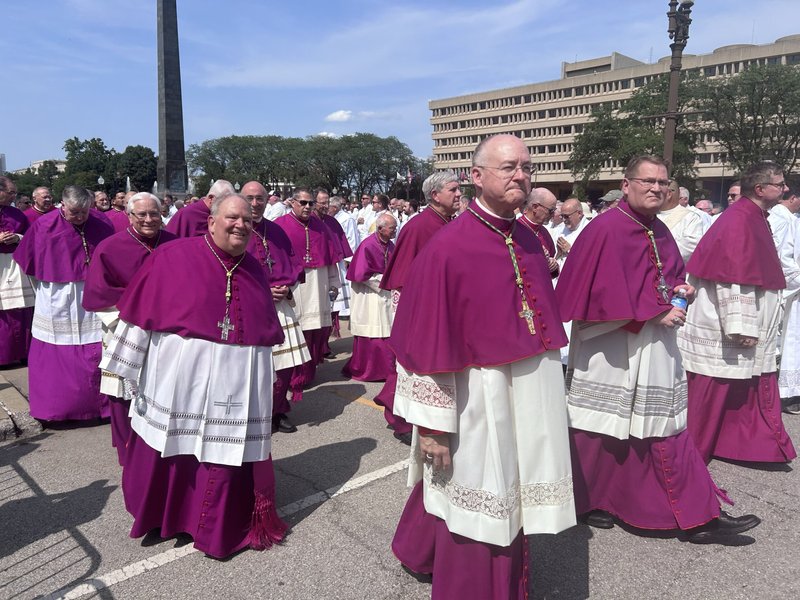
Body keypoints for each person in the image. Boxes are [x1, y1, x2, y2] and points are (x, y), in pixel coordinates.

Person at [391, 135, 574, 599]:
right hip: (478, 396)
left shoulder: (528, 239)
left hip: (528, 393)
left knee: (514, 496)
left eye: (526, 167)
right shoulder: (449, 247)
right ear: (476, 177)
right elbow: (422, 342)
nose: (520, 176)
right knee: (480, 504)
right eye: (508, 167)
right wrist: (431, 427)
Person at [556, 155, 760, 544]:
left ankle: (698, 515)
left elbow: (662, 276)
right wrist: (650, 313)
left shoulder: (658, 229)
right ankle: (590, 502)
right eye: (648, 181)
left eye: (662, 182)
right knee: (597, 431)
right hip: (611, 347)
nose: (656, 188)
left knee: (662, 429)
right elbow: (587, 298)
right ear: (627, 183)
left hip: (653, 345)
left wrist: (682, 289)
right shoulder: (605, 229)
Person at [99, 193, 287, 558]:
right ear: (212, 220)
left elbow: (264, 330)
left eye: (248, 221)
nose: (241, 226)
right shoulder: (173, 256)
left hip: (233, 384)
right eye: (233, 218)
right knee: (173, 447)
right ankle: (165, 516)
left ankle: (209, 525)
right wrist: (124, 369)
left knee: (220, 454)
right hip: (178, 379)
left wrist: (266, 381)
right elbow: (140, 312)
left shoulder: (253, 268)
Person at [679, 162, 797, 464]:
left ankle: (740, 446)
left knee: (741, 391)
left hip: (740, 325)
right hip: (724, 327)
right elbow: (733, 276)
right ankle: (693, 456)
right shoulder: (739, 220)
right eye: (779, 184)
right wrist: (742, 326)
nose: (784, 189)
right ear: (760, 189)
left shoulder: (753, 216)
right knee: (714, 392)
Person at [82, 192, 176, 466]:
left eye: (154, 214)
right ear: (129, 216)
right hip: (124, 329)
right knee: (123, 394)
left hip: (166, 330)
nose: (149, 219)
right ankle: (129, 452)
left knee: (163, 388)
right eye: (142, 214)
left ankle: (161, 447)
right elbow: (99, 294)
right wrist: (136, 315)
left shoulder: (175, 243)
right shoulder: (110, 248)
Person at [13, 185, 114, 421]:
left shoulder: (101, 222)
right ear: (62, 204)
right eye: (74, 212)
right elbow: (27, 260)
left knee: (97, 342)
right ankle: (62, 407)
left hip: (93, 293)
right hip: (57, 295)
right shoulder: (44, 225)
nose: (80, 217)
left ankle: (102, 405)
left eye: (84, 212)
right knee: (59, 344)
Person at [376, 171, 461, 444]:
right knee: (410, 363)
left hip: (439, 305)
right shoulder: (418, 226)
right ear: (435, 195)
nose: (459, 194)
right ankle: (399, 419)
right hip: (416, 307)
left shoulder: (447, 221)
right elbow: (402, 275)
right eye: (453, 190)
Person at [241, 181, 310, 434]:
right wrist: (263, 291)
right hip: (249, 308)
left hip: (281, 306)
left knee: (284, 366)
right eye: (250, 198)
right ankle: (254, 415)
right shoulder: (235, 230)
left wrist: (287, 286)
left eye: (260, 198)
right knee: (255, 366)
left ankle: (278, 410)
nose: (255, 203)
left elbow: (293, 264)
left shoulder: (276, 231)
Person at [275, 188, 340, 388]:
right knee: (296, 330)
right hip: (294, 287)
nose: (307, 207)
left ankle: (308, 373)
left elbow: (330, 258)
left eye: (310, 203)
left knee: (314, 331)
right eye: (303, 203)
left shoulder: (320, 226)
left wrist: (334, 282)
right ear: (293, 202)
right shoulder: (280, 226)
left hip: (318, 285)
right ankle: (292, 375)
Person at [342, 213, 396, 382]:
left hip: (385, 294)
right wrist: (384, 281)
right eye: (392, 228)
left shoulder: (391, 245)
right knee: (373, 331)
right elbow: (360, 274)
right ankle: (371, 370)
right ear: (380, 229)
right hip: (369, 295)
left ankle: (387, 368)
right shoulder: (367, 245)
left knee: (386, 330)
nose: (395, 231)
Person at [769, 190, 800, 413]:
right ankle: (791, 394)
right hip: (796, 293)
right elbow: (783, 257)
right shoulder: (787, 221)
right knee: (793, 341)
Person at [0, 176, 34, 366]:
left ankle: (22, 353)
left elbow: (29, 237)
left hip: (14, 265)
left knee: (19, 308)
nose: (14, 196)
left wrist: (18, 238)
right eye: (10, 192)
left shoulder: (17, 214)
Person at [314, 189, 353, 346]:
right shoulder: (309, 221)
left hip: (334, 268)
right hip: (317, 271)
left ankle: (326, 343)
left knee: (332, 307)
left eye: (327, 202)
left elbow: (342, 243)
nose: (325, 206)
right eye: (322, 202)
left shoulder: (332, 221)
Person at [166, 180, 235, 237]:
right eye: (223, 202)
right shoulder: (187, 214)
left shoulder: (225, 216)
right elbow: (169, 242)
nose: (228, 206)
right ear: (211, 198)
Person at [659, 180, 704, 263]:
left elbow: (688, 249)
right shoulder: (649, 214)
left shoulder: (691, 218)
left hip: (676, 273)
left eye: (657, 192)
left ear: (668, 193)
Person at [517, 187, 559, 278]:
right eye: (551, 210)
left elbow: (551, 257)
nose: (553, 215)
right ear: (535, 207)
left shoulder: (544, 232)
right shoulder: (515, 229)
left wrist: (553, 265)